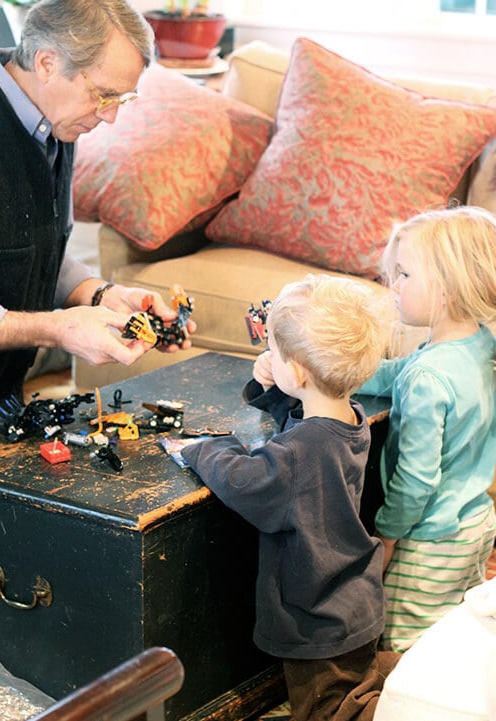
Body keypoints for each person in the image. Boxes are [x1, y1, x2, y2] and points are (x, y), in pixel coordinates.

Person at [0, 0, 195, 441]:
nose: (110, 117)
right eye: (104, 95)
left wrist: (102, 296)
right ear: (46, 63)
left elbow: (24, 249)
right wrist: (58, 329)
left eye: (122, 99)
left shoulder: (54, 125)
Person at [182, 274, 400, 721]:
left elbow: (244, 480)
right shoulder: (350, 419)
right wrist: (274, 388)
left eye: (274, 353)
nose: (267, 358)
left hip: (316, 613)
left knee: (331, 711)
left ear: (298, 372)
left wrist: (205, 448)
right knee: (356, 686)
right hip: (353, 594)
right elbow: (303, 424)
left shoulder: (300, 452)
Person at [359, 205, 496, 654]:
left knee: (407, 647)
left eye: (404, 274)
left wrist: (387, 535)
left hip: (429, 541)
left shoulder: (427, 379)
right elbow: (395, 372)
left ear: (446, 288)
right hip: (475, 520)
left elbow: (417, 479)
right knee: (457, 632)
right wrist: (337, 370)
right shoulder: (478, 345)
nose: (393, 286)